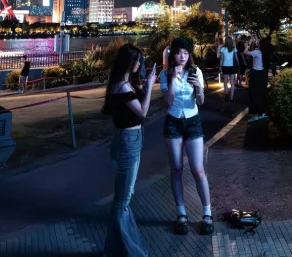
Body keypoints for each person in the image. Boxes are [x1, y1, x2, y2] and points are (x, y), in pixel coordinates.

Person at [101, 44, 157, 257]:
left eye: (139, 61)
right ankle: (128, 251)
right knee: (123, 201)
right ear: (126, 61)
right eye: (135, 61)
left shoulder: (126, 84)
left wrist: (143, 83)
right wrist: (150, 85)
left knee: (125, 197)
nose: (138, 65)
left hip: (133, 138)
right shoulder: (121, 86)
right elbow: (142, 111)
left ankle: (115, 249)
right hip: (128, 140)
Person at [160, 37, 213, 236]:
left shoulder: (195, 71)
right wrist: (173, 78)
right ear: (173, 54)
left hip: (192, 121)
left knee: (198, 170)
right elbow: (169, 100)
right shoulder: (165, 74)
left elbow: (200, 101)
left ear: (189, 54)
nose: (182, 56)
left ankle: (207, 214)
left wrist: (199, 87)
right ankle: (181, 213)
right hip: (173, 122)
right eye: (179, 52)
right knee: (176, 168)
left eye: (186, 52)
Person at [246, 39, 268, 122]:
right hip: (263, 74)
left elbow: (245, 52)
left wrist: (249, 43)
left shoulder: (257, 52)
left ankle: (256, 114)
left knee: (253, 94)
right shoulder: (266, 53)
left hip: (256, 74)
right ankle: (262, 112)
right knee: (261, 94)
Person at [217, 37, 238, 102]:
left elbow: (221, 59)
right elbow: (236, 58)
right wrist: (238, 64)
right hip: (232, 66)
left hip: (225, 66)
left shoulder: (223, 49)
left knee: (225, 81)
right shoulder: (234, 49)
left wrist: (220, 66)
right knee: (232, 82)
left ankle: (226, 94)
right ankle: (231, 97)